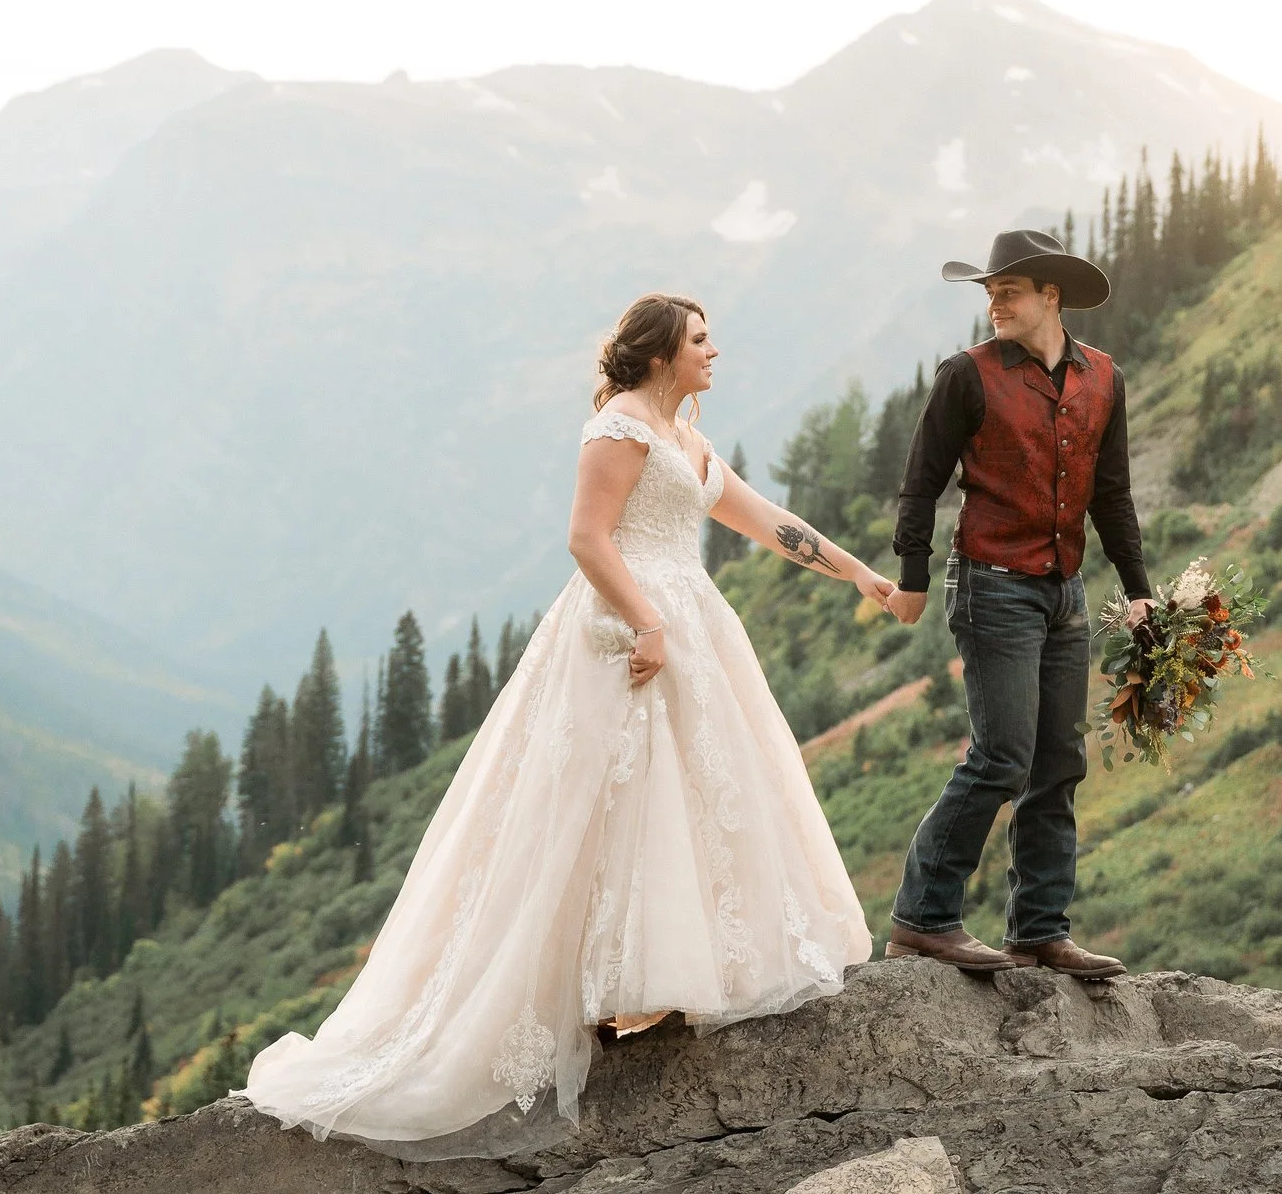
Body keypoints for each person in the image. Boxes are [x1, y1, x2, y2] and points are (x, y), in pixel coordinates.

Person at [237, 293, 888, 1154]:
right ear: (659, 353)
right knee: (606, 806)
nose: (714, 352)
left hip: (687, 622)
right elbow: (587, 538)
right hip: (624, 631)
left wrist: (858, 573)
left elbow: (764, 519)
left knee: (684, 804)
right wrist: (647, 622)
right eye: (700, 340)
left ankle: (657, 982)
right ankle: (597, 994)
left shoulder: (686, 438)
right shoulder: (620, 426)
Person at [880, 230, 1155, 979]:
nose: (995, 302)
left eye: (1010, 290)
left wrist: (1139, 590)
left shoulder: (1105, 378)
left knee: (1058, 761)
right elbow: (921, 480)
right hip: (991, 582)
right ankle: (923, 917)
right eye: (990, 291)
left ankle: (1038, 929)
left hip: (1065, 591)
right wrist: (911, 574)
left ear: (1051, 296)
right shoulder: (966, 376)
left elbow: (1113, 494)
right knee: (1002, 754)